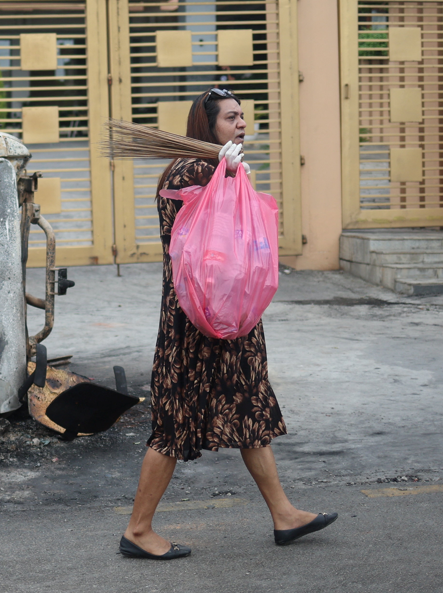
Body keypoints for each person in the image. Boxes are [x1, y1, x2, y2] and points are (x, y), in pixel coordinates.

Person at [119, 88, 337, 560]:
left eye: (243, 116)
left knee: (248, 410)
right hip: (199, 323)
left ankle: (284, 514)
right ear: (207, 123)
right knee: (174, 424)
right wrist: (226, 177)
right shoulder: (192, 169)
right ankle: (138, 530)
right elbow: (203, 243)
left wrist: (231, 175)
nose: (242, 124)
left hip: (225, 318)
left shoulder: (215, 166)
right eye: (232, 117)